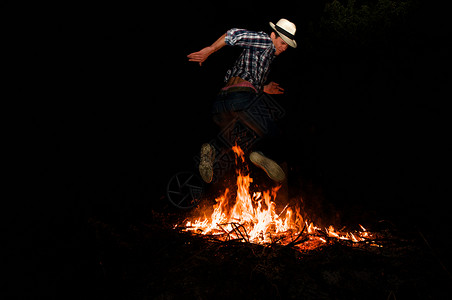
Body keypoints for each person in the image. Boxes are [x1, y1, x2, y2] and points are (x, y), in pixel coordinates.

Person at [187, 18, 297, 183]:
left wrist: (264, 88)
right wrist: (210, 50)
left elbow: (246, 77)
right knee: (273, 132)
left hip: (222, 103)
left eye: (287, 46)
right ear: (273, 35)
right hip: (242, 99)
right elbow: (235, 34)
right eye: (282, 42)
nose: (284, 48)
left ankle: (211, 150)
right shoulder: (265, 41)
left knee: (232, 140)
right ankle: (260, 153)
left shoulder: (263, 56)